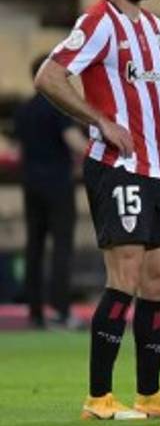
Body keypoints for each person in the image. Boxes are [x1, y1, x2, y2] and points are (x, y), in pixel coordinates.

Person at [35, 0, 160, 420]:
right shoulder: (99, 23)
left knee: (158, 279)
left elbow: (151, 102)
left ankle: (149, 394)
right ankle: (99, 397)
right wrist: (98, 121)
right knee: (123, 276)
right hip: (117, 168)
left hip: (156, 169)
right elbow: (48, 75)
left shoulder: (151, 28)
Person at [14, 54, 88, 330]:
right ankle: (60, 310)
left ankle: (35, 313)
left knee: (34, 246)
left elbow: (18, 151)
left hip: (30, 183)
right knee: (61, 247)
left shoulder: (23, 110)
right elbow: (73, 141)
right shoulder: (56, 108)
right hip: (58, 183)